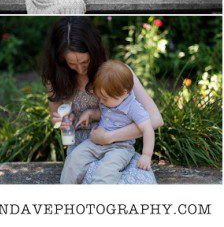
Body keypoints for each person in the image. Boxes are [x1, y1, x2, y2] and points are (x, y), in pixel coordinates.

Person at [41, 18, 162, 184]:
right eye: (72, 64)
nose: (81, 69)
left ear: (93, 50)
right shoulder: (56, 79)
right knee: (81, 173)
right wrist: (61, 122)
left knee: (131, 181)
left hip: (117, 145)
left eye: (85, 62)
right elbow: (56, 118)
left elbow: (155, 119)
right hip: (83, 146)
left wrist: (109, 137)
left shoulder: (114, 74)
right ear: (61, 59)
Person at [60, 60, 155, 184]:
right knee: (74, 159)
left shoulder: (134, 107)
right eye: (100, 98)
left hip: (120, 148)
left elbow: (148, 129)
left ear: (123, 93)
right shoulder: (109, 101)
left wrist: (146, 155)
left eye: (104, 99)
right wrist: (90, 114)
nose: (102, 102)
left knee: (106, 172)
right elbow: (102, 113)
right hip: (95, 142)